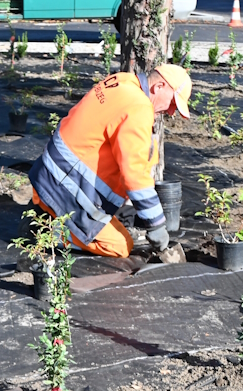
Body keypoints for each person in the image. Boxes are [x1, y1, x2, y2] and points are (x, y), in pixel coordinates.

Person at [27, 63, 193, 257]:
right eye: (173, 103)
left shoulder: (122, 81)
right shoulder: (139, 108)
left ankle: (46, 213)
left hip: (47, 174)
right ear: (159, 87)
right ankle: (46, 233)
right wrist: (156, 225)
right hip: (63, 188)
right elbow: (135, 175)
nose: (171, 111)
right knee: (121, 246)